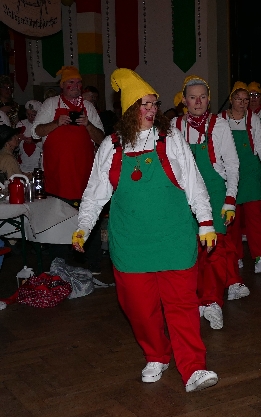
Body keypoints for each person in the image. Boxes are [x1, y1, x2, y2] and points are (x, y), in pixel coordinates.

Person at [73, 68, 219, 393]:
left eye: (154, 104)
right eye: (145, 104)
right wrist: (83, 227)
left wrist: (206, 222)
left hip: (174, 239)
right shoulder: (111, 147)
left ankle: (193, 368)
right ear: (129, 110)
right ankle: (156, 354)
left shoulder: (172, 140)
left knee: (182, 307)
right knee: (139, 309)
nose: (152, 110)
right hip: (131, 245)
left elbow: (195, 184)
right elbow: (94, 194)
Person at [173, 75, 240, 329]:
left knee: (214, 249)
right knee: (189, 249)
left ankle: (212, 302)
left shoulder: (219, 125)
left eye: (202, 97)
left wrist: (230, 200)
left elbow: (232, 165)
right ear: (184, 101)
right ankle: (195, 298)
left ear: (209, 100)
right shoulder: (174, 126)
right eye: (193, 97)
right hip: (184, 195)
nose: (198, 101)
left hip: (215, 192)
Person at [32, 66, 105, 272]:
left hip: (84, 177)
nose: (76, 86)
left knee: (89, 218)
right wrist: (57, 122)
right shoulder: (50, 104)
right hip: (57, 176)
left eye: (79, 83)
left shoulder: (88, 107)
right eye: (71, 82)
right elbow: (36, 132)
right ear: (62, 85)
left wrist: (88, 125)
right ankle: (59, 266)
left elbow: (101, 139)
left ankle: (93, 263)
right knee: (58, 221)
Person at [222, 82, 261, 274]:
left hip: (251, 173)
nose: (243, 103)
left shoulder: (253, 119)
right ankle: (236, 257)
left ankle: (259, 258)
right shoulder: (220, 120)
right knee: (233, 220)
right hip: (229, 175)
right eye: (239, 99)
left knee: (255, 217)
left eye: (246, 100)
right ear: (231, 100)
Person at [16, 100, 43, 175]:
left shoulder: (44, 126)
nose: (30, 117)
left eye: (33, 115)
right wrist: (18, 140)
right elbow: (15, 148)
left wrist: (35, 141)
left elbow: (48, 147)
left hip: (39, 167)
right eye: (28, 114)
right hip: (22, 166)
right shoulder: (21, 124)